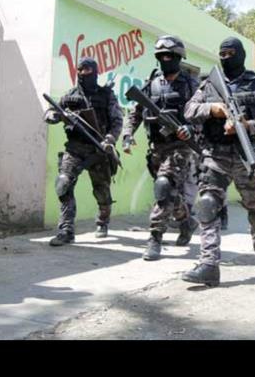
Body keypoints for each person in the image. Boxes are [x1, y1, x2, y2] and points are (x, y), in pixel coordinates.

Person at [180, 36, 255, 287]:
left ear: (241, 55)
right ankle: (209, 265)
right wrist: (212, 109)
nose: (226, 58)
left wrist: (248, 126)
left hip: (246, 155)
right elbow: (189, 110)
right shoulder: (209, 86)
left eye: (230, 54)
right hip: (215, 154)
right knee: (207, 204)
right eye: (222, 54)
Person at [122, 36, 200, 260]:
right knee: (168, 193)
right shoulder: (152, 82)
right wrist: (128, 134)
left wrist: (190, 129)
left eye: (170, 56)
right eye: (161, 56)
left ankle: (155, 238)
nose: (165, 60)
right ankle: (187, 222)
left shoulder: (190, 85)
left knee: (164, 187)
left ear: (178, 58)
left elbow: (201, 115)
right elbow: (136, 111)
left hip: (180, 146)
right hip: (157, 146)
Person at [44, 57, 123, 246]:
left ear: (94, 72)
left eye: (86, 70)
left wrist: (110, 140)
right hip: (75, 148)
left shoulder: (106, 95)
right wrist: (54, 116)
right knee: (63, 184)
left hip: (99, 149)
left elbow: (117, 121)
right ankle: (66, 230)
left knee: (102, 191)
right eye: (79, 70)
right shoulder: (70, 95)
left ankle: (102, 221)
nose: (81, 73)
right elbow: (50, 112)